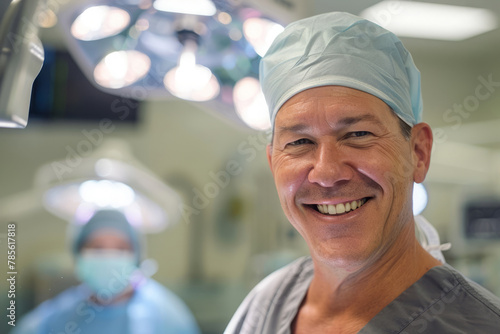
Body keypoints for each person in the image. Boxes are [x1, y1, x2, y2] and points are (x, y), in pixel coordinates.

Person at [224, 12, 500, 334]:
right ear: (274, 165)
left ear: (418, 152)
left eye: (358, 135)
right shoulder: (264, 308)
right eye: (300, 142)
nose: (326, 173)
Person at [14, 209, 201, 334]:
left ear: (136, 257)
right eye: (98, 248)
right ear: (78, 256)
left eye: (120, 249)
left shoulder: (168, 317)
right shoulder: (58, 317)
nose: (109, 257)